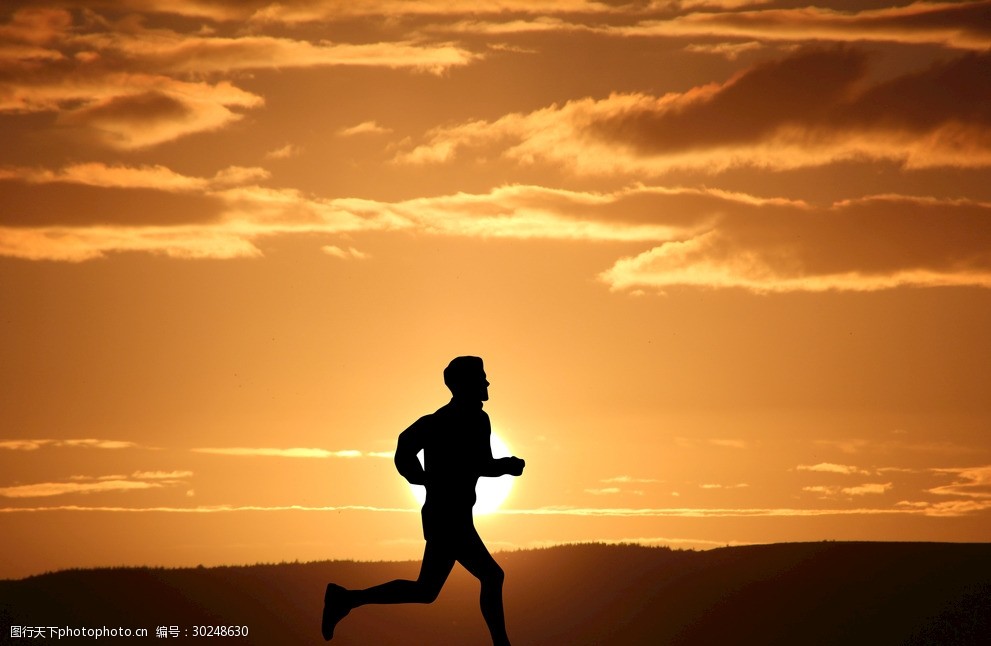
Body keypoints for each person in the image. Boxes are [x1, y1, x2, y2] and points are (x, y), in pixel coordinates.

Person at [321, 356, 525, 645]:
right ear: (465, 384)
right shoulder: (452, 421)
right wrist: (425, 478)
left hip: (452, 514)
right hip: (448, 516)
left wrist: (502, 465)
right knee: (492, 576)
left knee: (425, 591)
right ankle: (501, 644)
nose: (487, 382)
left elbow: (474, 462)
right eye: (481, 377)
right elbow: (410, 449)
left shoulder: (463, 419)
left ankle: (346, 598)